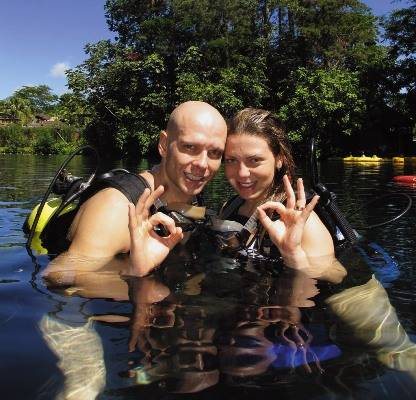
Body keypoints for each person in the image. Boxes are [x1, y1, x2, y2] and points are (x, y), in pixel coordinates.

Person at [44, 101, 227, 278]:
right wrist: (134, 272)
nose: (203, 164)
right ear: (164, 145)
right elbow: (58, 276)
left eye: (215, 153)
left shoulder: (195, 199)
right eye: (189, 147)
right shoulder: (117, 207)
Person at [220, 108, 346, 282]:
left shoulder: (303, 219)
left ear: (279, 159)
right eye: (231, 160)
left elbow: (337, 276)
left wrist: (293, 253)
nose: (242, 173)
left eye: (255, 160)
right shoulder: (229, 206)